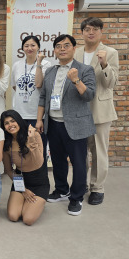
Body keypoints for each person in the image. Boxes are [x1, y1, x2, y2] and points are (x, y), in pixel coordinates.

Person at [36, 34, 96, 216]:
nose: (62, 49)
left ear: (74, 48)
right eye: (58, 46)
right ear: (54, 50)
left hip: (76, 125)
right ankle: (62, 190)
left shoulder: (85, 69)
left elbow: (89, 95)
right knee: (57, 160)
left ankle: (76, 197)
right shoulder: (51, 71)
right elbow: (44, 97)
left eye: (66, 45)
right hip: (53, 123)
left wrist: (76, 80)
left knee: (78, 162)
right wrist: (40, 119)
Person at [75, 17, 119, 206]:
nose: (90, 32)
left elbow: (111, 83)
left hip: (100, 110)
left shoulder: (109, 52)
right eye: (86, 29)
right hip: (79, 110)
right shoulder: (76, 52)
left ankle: (97, 188)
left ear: (101, 31)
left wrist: (104, 64)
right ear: (82, 32)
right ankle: (81, 184)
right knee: (80, 152)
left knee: (99, 151)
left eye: (94, 29)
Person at [0, 110, 49, 226]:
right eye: (6, 123)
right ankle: (26, 200)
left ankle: (38, 202)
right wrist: (23, 189)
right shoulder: (7, 143)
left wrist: (31, 140)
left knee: (28, 219)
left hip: (39, 181)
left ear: (19, 121)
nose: (10, 125)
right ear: (4, 127)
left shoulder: (34, 135)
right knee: (13, 216)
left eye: (13, 121)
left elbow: (39, 161)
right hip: (20, 181)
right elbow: (8, 170)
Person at [11, 35, 51, 161]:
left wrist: (38, 64)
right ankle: (22, 177)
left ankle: (40, 179)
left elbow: (39, 84)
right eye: (26, 45)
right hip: (20, 114)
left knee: (38, 150)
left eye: (33, 45)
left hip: (36, 115)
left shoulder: (46, 64)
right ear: (22, 48)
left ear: (38, 47)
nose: (30, 48)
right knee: (21, 149)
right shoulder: (17, 65)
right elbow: (14, 86)